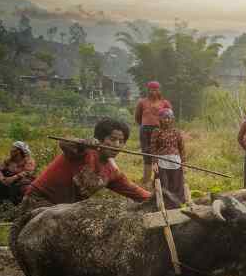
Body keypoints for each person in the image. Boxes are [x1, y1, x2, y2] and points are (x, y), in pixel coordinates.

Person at [20, 117, 151, 215]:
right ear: (99, 139)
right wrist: (82, 143)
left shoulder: (112, 172)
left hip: (63, 212)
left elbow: (134, 191)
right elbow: (64, 143)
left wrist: (159, 199)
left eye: (121, 141)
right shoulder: (82, 151)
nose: (117, 145)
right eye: (112, 139)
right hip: (39, 202)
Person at [148, 107, 187, 209]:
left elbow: (182, 148)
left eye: (169, 118)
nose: (167, 120)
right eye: (165, 118)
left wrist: (183, 163)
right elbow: (153, 148)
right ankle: (164, 205)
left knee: (177, 185)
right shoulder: (157, 131)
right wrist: (154, 162)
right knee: (163, 184)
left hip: (175, 162)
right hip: (162, 162)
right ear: (160, 119)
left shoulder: (176, 132)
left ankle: (177, 205)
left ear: (172, 119)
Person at [134, 81, 170, 183]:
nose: (153, 92)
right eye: (151, 89)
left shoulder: (165, 103)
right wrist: (144, 125)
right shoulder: (142, 102)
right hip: (145, 130)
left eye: (156, 89)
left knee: (159, 153)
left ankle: (158, 179)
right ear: (148, 90)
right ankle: (146, 179)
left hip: (159, 131)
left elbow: (169, 116)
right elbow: (137, 117)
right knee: (147, 153)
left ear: (159, 90)